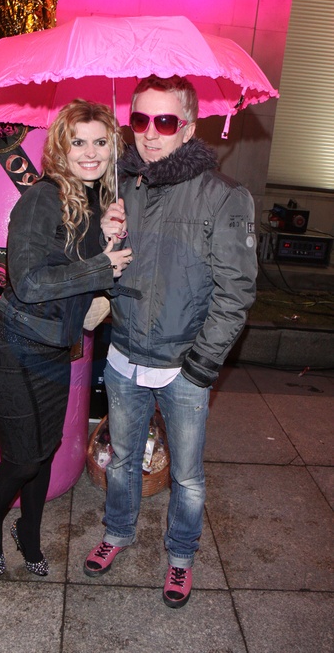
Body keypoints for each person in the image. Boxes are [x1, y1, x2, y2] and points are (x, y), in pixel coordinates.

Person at [84, 76, 257, 608]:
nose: (150, 133)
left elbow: (236, 292)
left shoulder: (224, 196)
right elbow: (101, 272)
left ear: (189, 127)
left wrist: (201, 366)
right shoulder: (122, 188)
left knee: (186, 476)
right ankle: (117, 532)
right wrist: (105, 234)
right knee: (121, 459)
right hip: (123, 358)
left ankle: (181, 556)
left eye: (164, 121)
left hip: (183, 366)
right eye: (140, 119)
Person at [0, 99, 133, 576]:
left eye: (101, 142)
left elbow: (86, 278)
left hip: (56, 351)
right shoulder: (41, 198)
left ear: (113, 148)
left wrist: (107, 239)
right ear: (60, 149)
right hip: (16, 349)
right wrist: (100, 264)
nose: (91, 153)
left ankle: (29, 533)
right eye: (78, 142)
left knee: (43, 454)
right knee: (23, 460)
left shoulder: (92, 202)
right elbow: (28, 283)